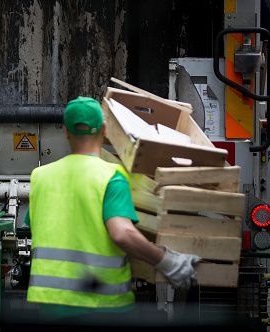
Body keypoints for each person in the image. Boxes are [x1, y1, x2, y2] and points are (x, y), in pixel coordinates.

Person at [26, 96, 200, 317]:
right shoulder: (110, 176)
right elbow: (122, 233)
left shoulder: (40, 177)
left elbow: (45, 228)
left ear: (66, 131)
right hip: (102, 305)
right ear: (104, 129)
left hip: (50, 304)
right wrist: (167, 261)